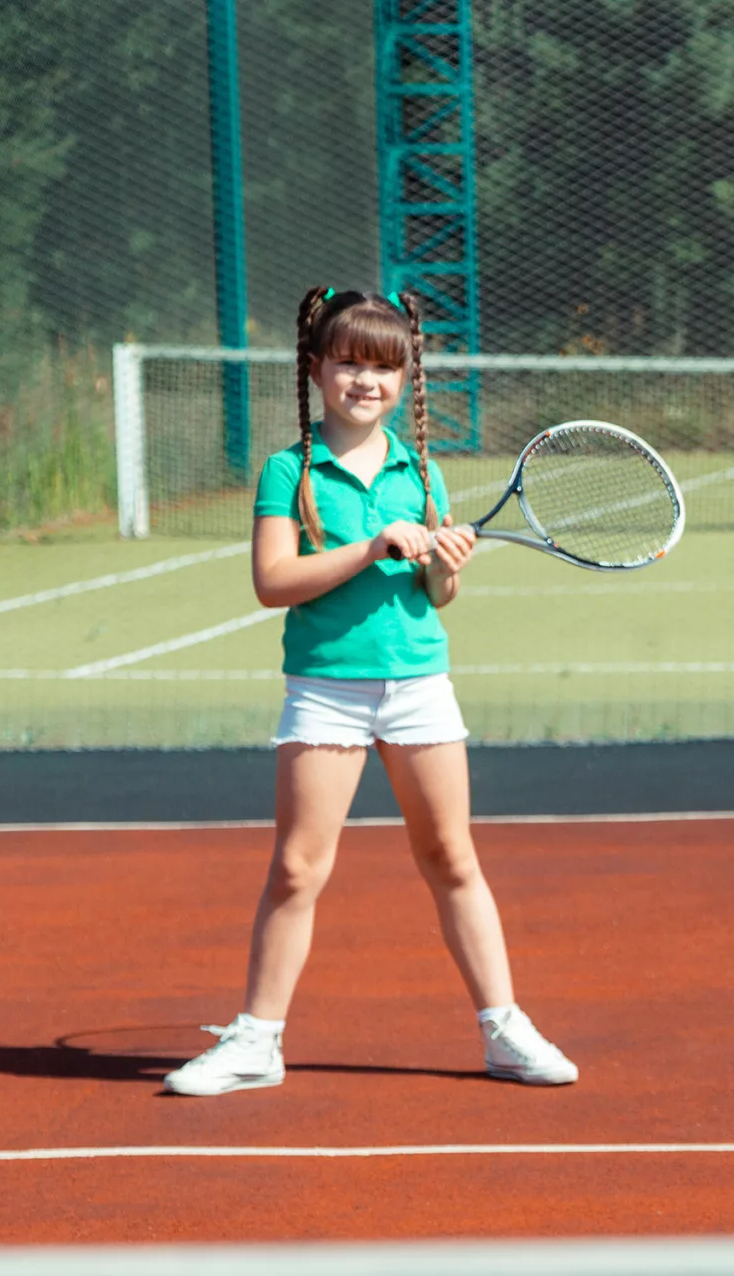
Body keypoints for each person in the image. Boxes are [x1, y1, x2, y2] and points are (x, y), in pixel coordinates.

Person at [164, 287, 577, 1097]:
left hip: (421, 686)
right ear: (316, 368)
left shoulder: (422, 470)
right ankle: (256, 1041)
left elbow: (435, 594)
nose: (366, 380)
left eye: (385, 366)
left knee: (452, 857)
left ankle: (503, 1029)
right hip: (325, 692)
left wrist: (444, 563)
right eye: (349, 361)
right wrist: (370, 546)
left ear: (406, 378)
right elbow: (273, 582)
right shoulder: (289, 470)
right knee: (295, 869)